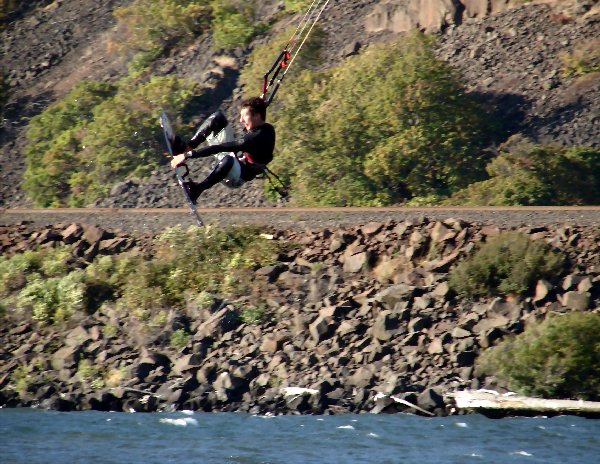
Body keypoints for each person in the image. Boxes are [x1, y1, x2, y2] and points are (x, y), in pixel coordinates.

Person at [169, 97, 276, 203]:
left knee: (228, 159)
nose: (241, 120)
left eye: (244, 116)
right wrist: (260, 104)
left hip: (237, 177)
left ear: (257, 116)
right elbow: (257, 116)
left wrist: (187, 156)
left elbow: (220, 148)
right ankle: (187, 147)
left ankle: (197, 190)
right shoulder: (266, 127)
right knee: (218, 118)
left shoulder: (253, 138)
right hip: (236, 160)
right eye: (241, 116)